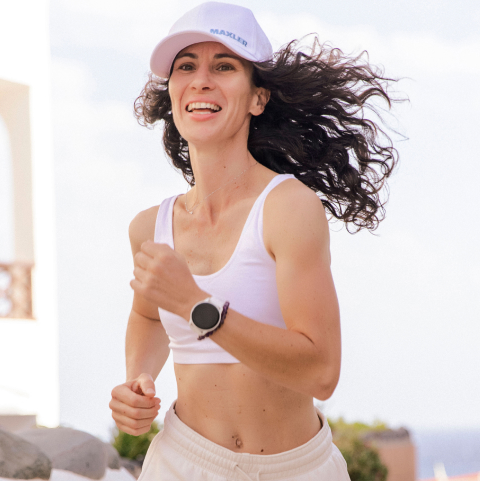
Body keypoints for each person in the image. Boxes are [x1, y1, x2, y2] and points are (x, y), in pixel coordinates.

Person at [109, 2, 399, 480]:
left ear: (257, 99)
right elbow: (148, 314)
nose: (201, 80)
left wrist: (198, 306)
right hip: (183, 463)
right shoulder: (149, 227)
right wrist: (137, 381)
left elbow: (321, 372)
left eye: (223, 66)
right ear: (174, 92)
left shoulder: (288, 208)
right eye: (187, 66)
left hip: (296, 468)